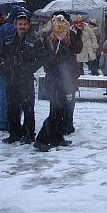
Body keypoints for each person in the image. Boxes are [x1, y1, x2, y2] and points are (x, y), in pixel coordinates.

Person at [35, 13, 83, 152]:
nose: (61, 31)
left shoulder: (68, 40)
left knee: (62, 109)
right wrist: (54, 55)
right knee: (56, 110)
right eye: (58, 28)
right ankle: (41, 139)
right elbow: (48, 63)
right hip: (54, 80)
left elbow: (76, 50)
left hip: (66, 79)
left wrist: (78, 33)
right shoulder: (50, 42)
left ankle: (57, 137)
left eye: (63, 29)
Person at [0, 9, 45, 144]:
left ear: (28, 25)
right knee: (12, 108)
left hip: (25, 79)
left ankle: (29, 134)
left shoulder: (34, 40)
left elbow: (41, 57)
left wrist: (29, 68)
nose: (22, 26)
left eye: (25, 24)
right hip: (11, 78)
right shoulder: (9, 40)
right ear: (15, 24)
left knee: (28, 108)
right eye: (20, 24)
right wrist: (4, 66)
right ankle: (14, 133)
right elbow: (2, 56)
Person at [0, 5, 27, 131]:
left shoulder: (2, 28)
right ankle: (12, 121)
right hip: (13, 68)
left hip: (4, 67)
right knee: (15, 96)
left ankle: (3, 120)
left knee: (3, 95)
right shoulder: (14, 30)